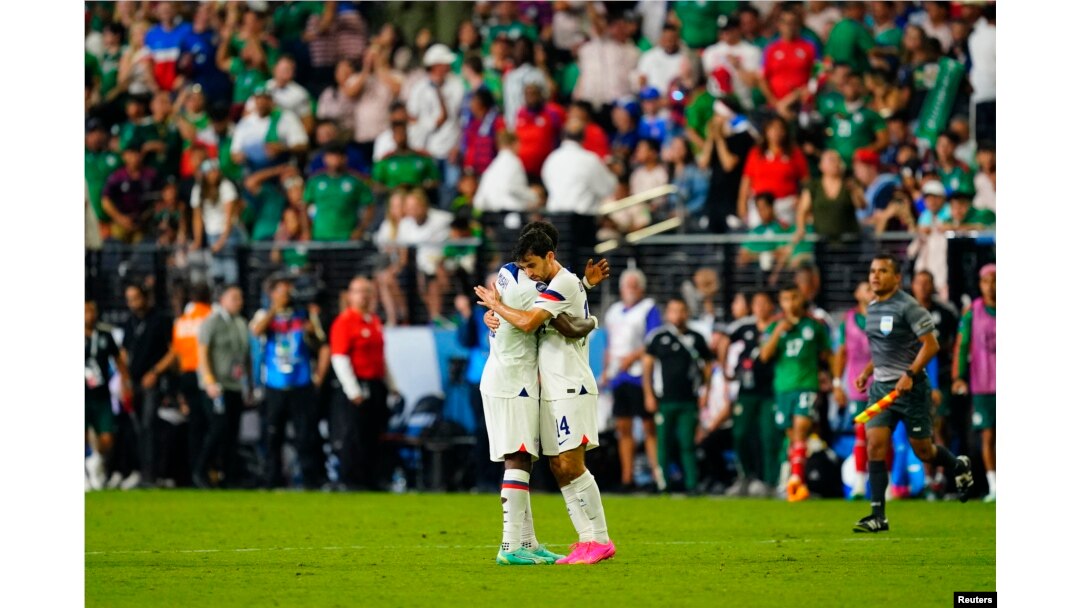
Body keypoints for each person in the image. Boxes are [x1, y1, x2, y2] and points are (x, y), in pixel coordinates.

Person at [474, 229, 616, 565]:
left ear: (550, 256)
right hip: (543, 385)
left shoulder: (556, 283)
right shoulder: (540, 282)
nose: (528, 272)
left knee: (568, 464)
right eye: (523, 266)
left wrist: (495, 306)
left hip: (570, 383)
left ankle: (597, 539)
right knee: (555, 464)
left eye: (532, 265)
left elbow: (532, 322)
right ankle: (577, 541)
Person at [852, 254, 974, 533]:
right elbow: (882, 350)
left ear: (896, 278)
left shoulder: (909, 307)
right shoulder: (871, 308)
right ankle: (877, 516)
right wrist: (867, 372)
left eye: (882, 271)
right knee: (875, 445)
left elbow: (931, 345)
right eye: (872, 271)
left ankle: (957, 465)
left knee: (924, 451)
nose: (875, 276)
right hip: (882, 388)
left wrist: (910, 374)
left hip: (912, 388)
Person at [759, 284, 833, 502]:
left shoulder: (815, 325)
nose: (790, 303)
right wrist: (779, 332)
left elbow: (829, 354)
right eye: (785, 299)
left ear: (802, 298)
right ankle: (790, 478)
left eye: (794, 297)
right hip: (783, 388)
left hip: (806, 385)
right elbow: (764, 356)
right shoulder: (774, 326)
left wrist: (834, 380)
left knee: (801, 429)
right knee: (791, 436)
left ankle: (796, 481)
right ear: (780, 302)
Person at [250, 278, 325, 489]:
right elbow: (256, 331)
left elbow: (320, 341)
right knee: (273, 435)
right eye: (282, 292)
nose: (287, 296)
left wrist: (311, 332)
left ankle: (311, 481)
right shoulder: (264, 314)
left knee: (306, 436)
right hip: (275, 385)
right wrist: (275, 309)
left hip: (301, 384)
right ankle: (272, 480)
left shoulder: (303, 314)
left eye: (289, 292)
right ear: (272, 294)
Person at [329, 277, 396, 490]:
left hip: (375, 383)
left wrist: (391, 384)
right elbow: (339, 358)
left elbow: (381, 357)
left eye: (367, 291)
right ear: (350, 295)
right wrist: (352, 390)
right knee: (354, 433)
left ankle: (372, 479)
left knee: (374, 433)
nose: (364, 296)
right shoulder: (345, 321)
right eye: (359, 291)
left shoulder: (374, 320)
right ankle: (351, 480)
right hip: (357, 384)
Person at [642, 298, 713, 495]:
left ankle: (692, 483)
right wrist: (649, 394)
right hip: (664, 399)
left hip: (689, 399)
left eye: (681, 311)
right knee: (663, 443)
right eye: (673, 311)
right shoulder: (658, 337)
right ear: (667, 314)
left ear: (687, 313)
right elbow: (647, 367)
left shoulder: (697, 338)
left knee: (687, 442)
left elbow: (707, 366)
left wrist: (706, 391)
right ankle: (663, 483)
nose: (678, 315)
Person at [602, 269, 663, 493]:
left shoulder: (648, 309)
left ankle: (658, 476)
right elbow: (609, 344)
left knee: (648, 427)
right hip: (619, 376)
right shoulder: (614, 312)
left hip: (640, 375)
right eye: (627, 285)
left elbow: (653, 340)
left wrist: (632, 357)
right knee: (623, 427)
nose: (630, 289)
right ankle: (627, 477)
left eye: (634, 285)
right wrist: (607, 370)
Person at [722, 291, 780, 497]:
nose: (761, 308)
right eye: (757, 303)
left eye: (765, 303)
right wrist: (725, 370)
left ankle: (769, 481)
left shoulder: (778, 327)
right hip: (747, 390)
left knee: (768, 435)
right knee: (740, 433)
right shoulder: (744, 327)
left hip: (770, 391)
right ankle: (745, 476)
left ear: (772, 306)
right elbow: (723, 341)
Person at [195, 285, 251, 489]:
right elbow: (202, 352)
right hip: (216, 386)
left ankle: (228, 475)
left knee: (232, 432)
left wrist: (250, 386)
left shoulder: (241, 323)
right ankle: (200, 470)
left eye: (241, 297)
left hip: (235, 385)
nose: (239, 302)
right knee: (218, 428)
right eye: (234, 298)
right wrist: (209, 380)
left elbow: (246, 358)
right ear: (223, 300)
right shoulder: (212, 321)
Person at [911, 269, 960, 498]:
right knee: (921, 433)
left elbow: (953, 347)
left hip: (939, 379)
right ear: (913, 286)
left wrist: (942, 383)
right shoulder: (905, 313)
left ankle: (942, 478)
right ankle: (929, 480)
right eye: (919, 283)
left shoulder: (946, 313)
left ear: (933, 286)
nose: (922, 287)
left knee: (939, 428)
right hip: (914, 381)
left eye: (927, 283)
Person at [120, 283, 174, 489]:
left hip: (152, 380)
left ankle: (151, 475)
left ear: (145, 297)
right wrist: (125, 381)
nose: (132, 303)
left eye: (136, 298)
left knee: (149, 425)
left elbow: (172, 351)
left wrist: (155, 372)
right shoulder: (129, 322)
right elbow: (123, 354)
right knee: (136, 427)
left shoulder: (160, 320)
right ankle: (139, 470)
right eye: (129, 299)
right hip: (133, 381)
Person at [952, 264, 996, 502]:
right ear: (980, 285)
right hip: (984, 383)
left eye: (995, 280)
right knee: (987, 436)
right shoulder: (973, 312)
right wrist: (958, 376)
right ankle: (994, 485)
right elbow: (962, 345)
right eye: (986, 281)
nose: (991, 286)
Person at [832, 281, 875, 499]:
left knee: (880, 434)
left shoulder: (885, 319)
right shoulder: (848, 321)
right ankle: (859, 482)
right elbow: (841, 353)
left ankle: (884, 483)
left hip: (882, 384)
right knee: (861, 433)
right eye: (866, 288)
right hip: (857, 386)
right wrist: (837, 384)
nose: (871, 291)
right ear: (857, 293)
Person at [85, 299, 132, 490]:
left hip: (101, 395)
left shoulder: (105, 334)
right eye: (86, 310)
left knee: (107, 439)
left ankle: (96, 463)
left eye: (92, 309)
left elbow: (119, 359)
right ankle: (87, 472)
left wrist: (125, 382)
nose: (90, 314)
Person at [304, 143, 375, 241]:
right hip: (319, 237)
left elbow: (370, 206)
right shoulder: (315, 181)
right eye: (331, 156)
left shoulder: (356, 181)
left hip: (346, 237)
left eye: (337, 156)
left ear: (344, 158)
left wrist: (360, 229)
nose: (334, 160)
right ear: (325, 158)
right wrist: (306, 231)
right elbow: (304, 207)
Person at [473, 131, 537, 213]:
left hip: (491, 212)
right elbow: (513, 188)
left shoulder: (493, 166)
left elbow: (480, 197)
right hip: (510, 212)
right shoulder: (513, 162)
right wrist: (533, 196)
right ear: (515, 143)